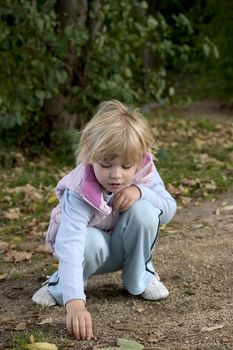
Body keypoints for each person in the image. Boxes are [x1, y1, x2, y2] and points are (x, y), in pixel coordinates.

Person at [32, 100, 176, 341]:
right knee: (88, 240)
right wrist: (75, 304)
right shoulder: (79, 189)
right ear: (90, 157)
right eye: (106, 164)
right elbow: (71, 245)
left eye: (126, 166)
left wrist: (141, 192)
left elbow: (169, 210)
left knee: (146, 211)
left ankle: (139, 276)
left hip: (123, 246)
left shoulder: (144, 171)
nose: (116, 175)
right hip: (91, 252)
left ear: (139, 160)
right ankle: (62, 286)